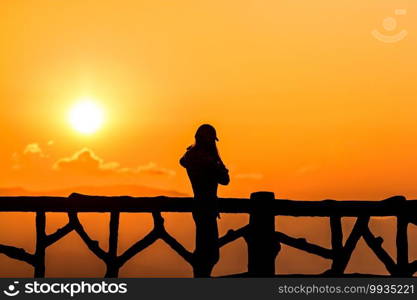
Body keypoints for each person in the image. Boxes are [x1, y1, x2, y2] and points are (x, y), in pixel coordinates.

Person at [180, 124, 230, 277]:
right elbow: (225, 179)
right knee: (210, 255)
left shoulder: (191, 156)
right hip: (208, 208)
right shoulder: (208, 160)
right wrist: (219, 164)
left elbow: (183, 161)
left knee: (204, 253)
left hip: (199, 206)